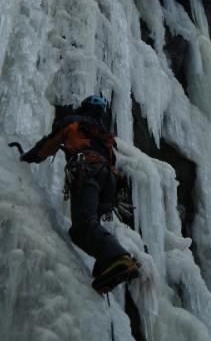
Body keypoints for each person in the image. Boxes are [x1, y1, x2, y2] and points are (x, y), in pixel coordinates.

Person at [20, 95, 139, 293]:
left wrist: (27, 158)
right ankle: (105, 270)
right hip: (109, 183)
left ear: (82, 108)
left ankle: (119, 258)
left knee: (83, 227)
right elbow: (111, 161)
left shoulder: (74, 122)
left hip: (87, 169)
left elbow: (48, 145)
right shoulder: (102, 133)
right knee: (91, 224)